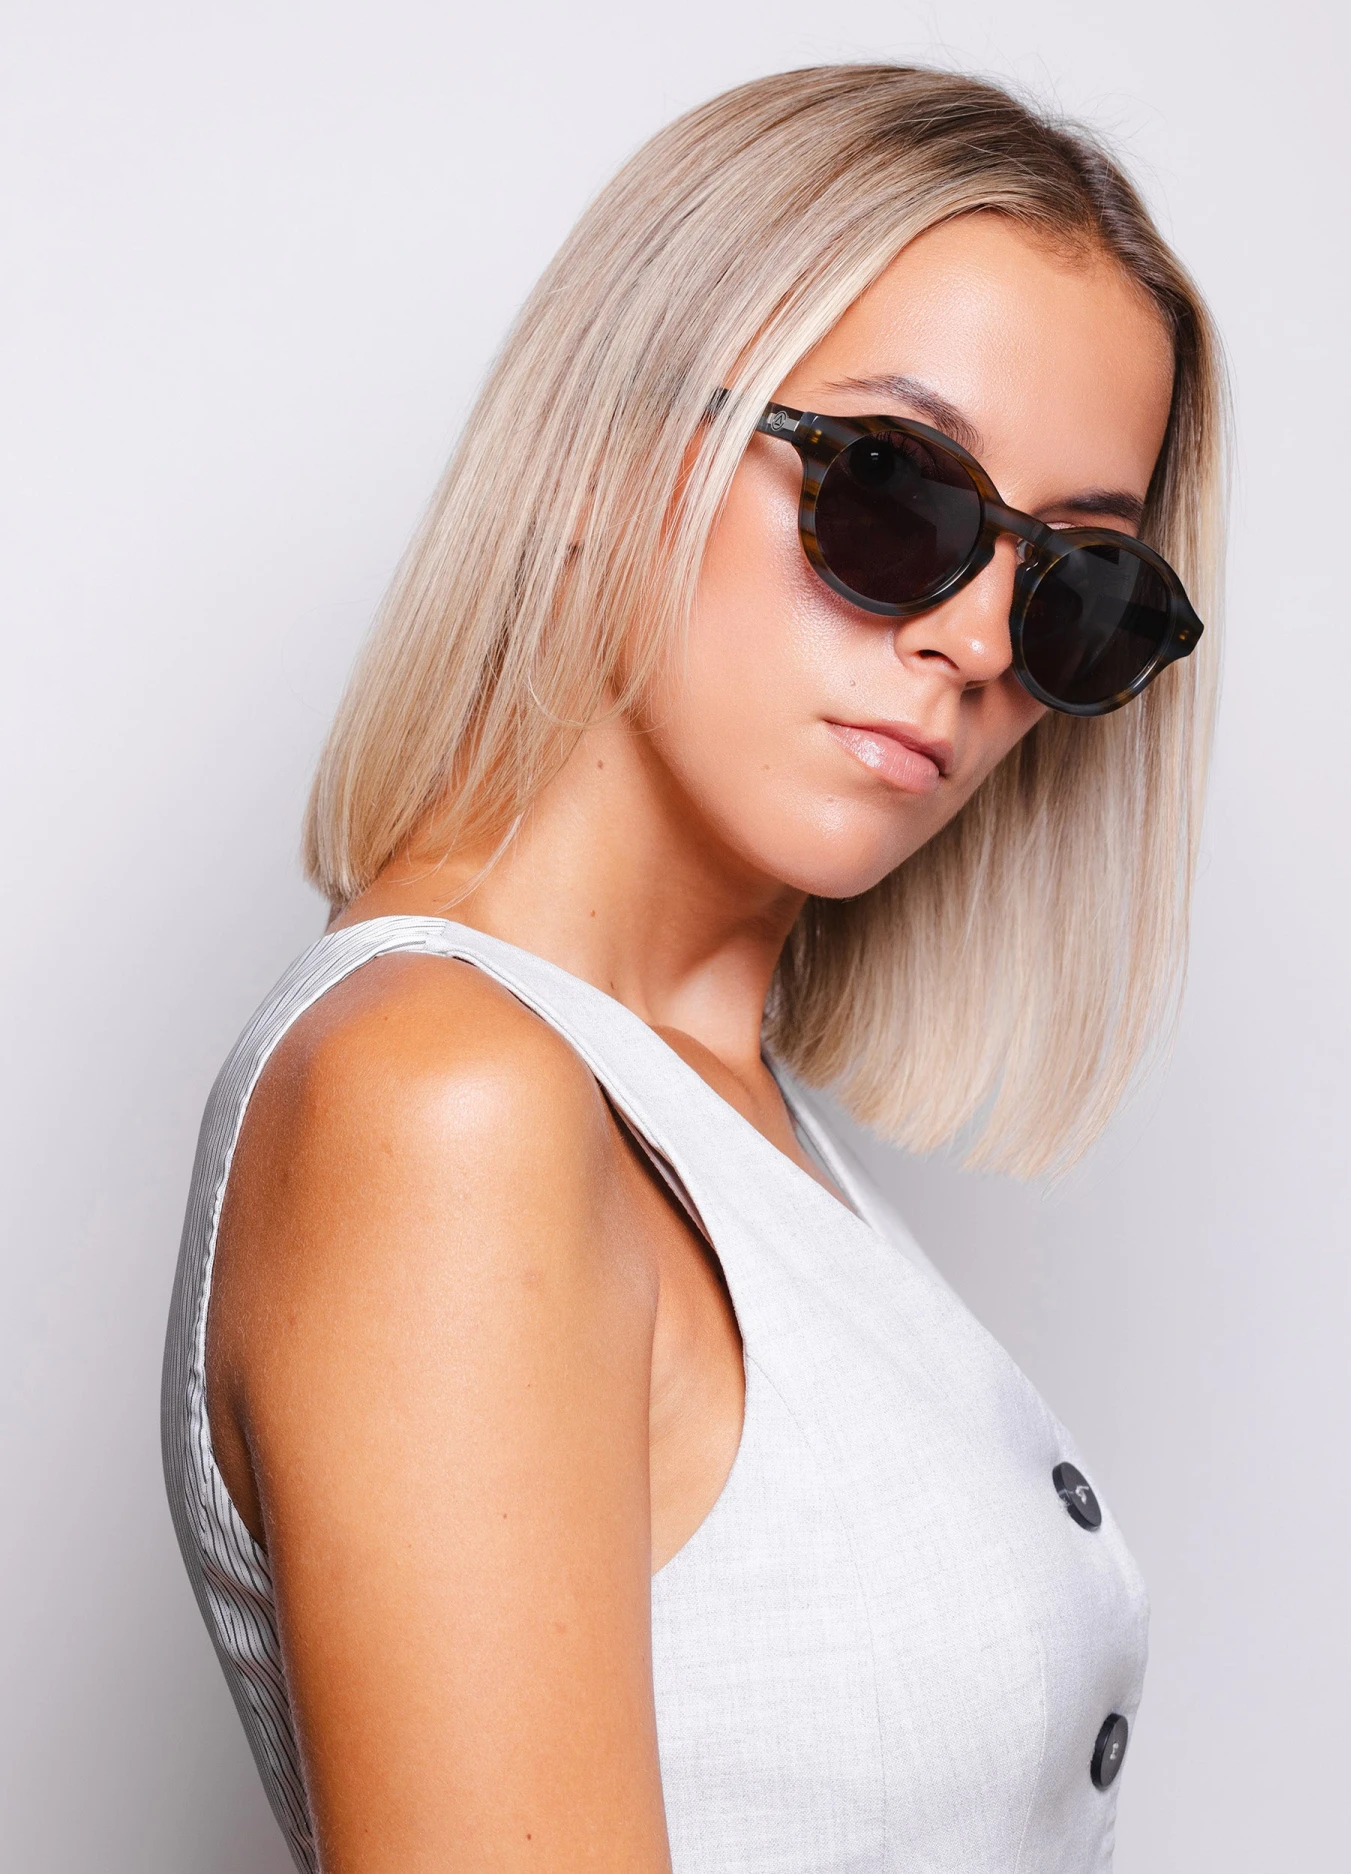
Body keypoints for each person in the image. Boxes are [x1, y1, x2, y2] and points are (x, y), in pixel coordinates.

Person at [163, 62, 1224, 1874]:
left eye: (1078, 587)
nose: (978, 640)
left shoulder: (715, 1110)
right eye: (897, 493)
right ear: (604, 458)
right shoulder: (444, 1105)